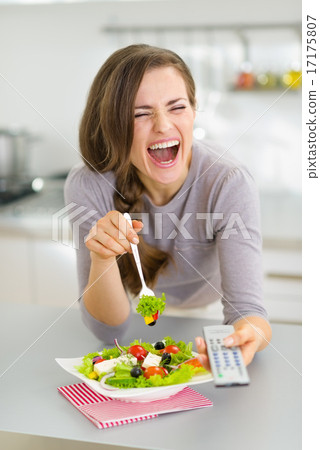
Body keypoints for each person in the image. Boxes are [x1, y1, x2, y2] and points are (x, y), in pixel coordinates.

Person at [64, 44, 271, 369]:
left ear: (193, 110)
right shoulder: (89, 184)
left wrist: (247, 335)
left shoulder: (228, 181)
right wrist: (102, 256)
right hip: (133, 311)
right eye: (140, 113)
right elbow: (108, 330)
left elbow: (248, 313)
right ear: (112, 124)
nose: (162, 125)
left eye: (177, 107)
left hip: (207, 313)